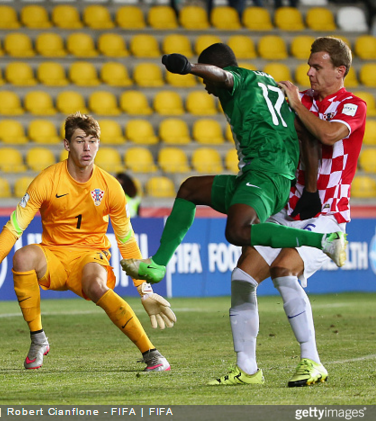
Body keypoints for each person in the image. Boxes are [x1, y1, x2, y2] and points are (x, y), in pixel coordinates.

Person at [208, 37, 366, 386]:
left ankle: (312, 361)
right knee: (241, 279)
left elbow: (326, 135)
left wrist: (295, 103)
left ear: (339, 71)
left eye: (317, 67)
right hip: (288, 211)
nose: (309, 73)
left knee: (283, 270)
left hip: (327, 215)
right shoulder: (299, 102)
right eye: (309, 65)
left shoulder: (353, 106)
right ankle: (247, 369)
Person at [121, 43, 347, 284]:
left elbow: (223, 76)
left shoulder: (237, 79)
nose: (207, 88)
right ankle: (158, 265)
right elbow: (307, 137)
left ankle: (324, 241)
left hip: (267, 175)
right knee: (190, 190)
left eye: (206, 80)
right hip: (259, 174)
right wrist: (310, 188)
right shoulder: (269, 85)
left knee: (238, 231)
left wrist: (190, 68)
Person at [0, 112, 176, 372]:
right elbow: (15, 225)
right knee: (23, 257)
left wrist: (145, 291)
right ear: (67, 144)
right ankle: (38, 339)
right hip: (54, 256)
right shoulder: (47, 180)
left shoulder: (110, 186)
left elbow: (126, 240)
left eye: (93, 141)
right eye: (80, 140)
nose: (87, 147)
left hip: (91, 256)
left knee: (96, 284)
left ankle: (152, 353)